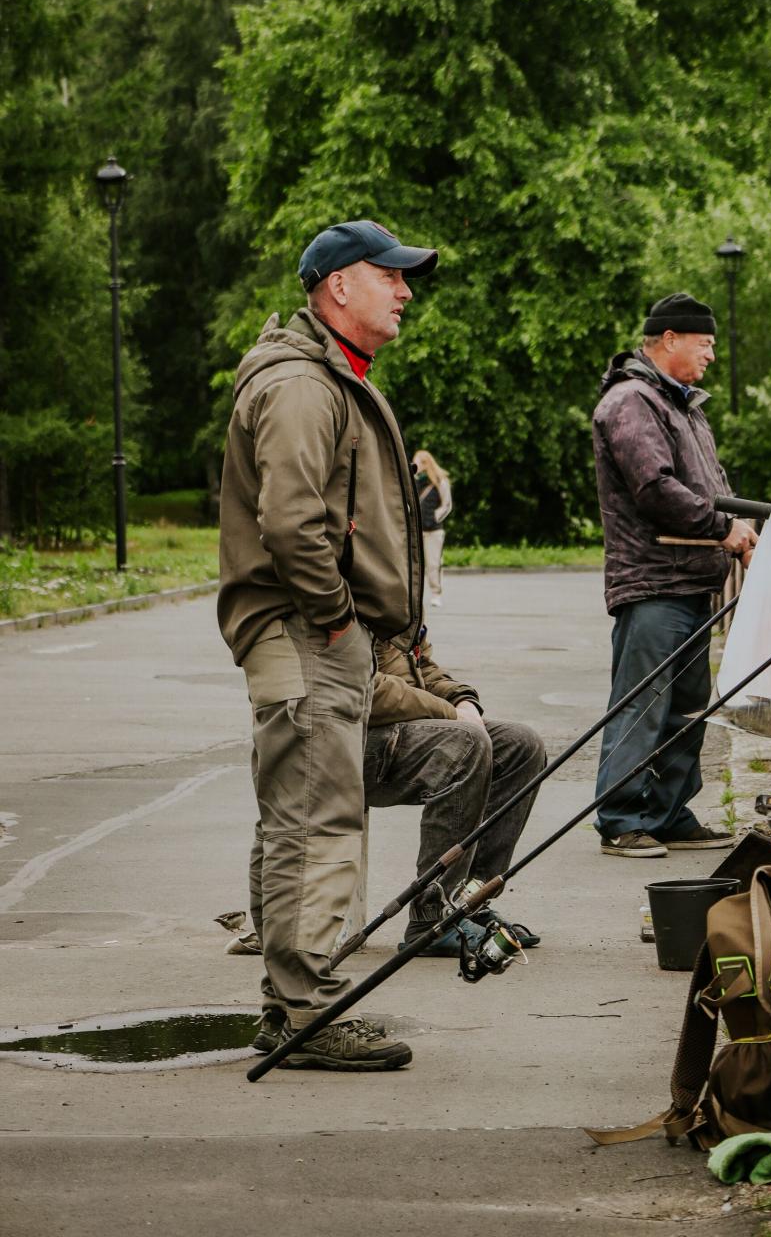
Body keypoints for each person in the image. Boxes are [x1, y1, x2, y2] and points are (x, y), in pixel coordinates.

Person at [219, 217, 437, 1072]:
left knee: (295, 822)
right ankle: (308, 1013)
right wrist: (341, 620)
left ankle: (288, 1008)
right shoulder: (305, 386)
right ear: (338, 285)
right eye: (390, 275)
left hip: (312, 632)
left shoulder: (323, 377)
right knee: (317, 823)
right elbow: (289, 522)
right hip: (308, 633)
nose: (405, 290)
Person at [591, 292, 758, 858]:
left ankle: (665, 813)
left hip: (690, 581)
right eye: (705, 344)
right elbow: (656, 489)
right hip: (653, 582)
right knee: (641, 703)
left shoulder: (683, 405)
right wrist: (723, 529)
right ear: (669, 340)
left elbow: (710, 485)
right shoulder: (631, 401)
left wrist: (740, 527)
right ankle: (620, 819)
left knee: (687, 704)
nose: (712, 355)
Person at [365, 629, 545, 954]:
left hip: (400, 723)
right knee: (465, 743)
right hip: (349, 740)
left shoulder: (401, 588)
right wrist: (449, 713)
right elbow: (363, 690)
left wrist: (462, 698)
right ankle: (432, 919)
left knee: (522, 745)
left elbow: (419, 669)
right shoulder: (357, 589)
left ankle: (468, 903)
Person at [413, 449, 453, 608]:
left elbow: (447, 505)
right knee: (415, 564)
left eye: (416, 461)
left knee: (433, 564)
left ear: (425, 463)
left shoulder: (440, 481)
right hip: (417, 531)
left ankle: (436, 594)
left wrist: (435, 518)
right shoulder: (413, 481)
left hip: (433, 531)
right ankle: (415, 596)